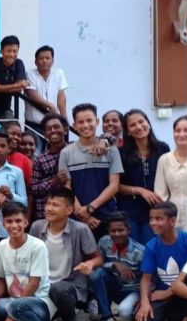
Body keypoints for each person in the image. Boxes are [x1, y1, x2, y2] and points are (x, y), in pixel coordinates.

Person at [30, 187, 102, 321]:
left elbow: (98, 258)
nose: (49, 208)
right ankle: (58, 316)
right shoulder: (37, 227)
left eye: (55, 205)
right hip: (42, 285)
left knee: (59, 289)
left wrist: (89, 264)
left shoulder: (81, 230)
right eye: (48, 204)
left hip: (70, 285)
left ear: (69, 210)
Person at [0, 202, 58, 321]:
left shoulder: (37, 246)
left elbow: (34, 283)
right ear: (3, 224)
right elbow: (1, 279)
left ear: (26, 222)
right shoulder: (1, 246)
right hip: (14, 302)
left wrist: (11, 315)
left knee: (16, 308)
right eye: (9, 221)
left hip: (39, 302)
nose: (14, 225)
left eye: (18, 221)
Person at [134, 202, 187, 321]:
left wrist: (170, 291)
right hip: (163, 294)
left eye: (158, 219)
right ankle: (170, 320)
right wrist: (145, 302)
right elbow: (146, 278)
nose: (153, 223)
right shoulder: (151, 245)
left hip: (186, 292)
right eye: (151, 219)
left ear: (172, 221)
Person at [58, 103, 123, 237]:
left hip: (107, 216)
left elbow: (114, 185)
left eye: (89, 120)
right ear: (74, 125)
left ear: (97, 122)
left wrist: (90, 208)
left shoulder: (111, 150)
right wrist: (83, 215)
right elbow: (67, 187)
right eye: (80, 122)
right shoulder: (66, 153)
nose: (85, 125)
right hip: (77, 219)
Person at [117, 109, 170, 244]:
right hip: (130, 211)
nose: (139, 127)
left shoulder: (162, 148)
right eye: (133, 125)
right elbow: (115, 185)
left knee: (152, 248)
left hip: (155, 210)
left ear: (148, 123)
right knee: (134, 252)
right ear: (127, 131)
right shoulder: (121, 153)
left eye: (141, 121)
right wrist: (140, 191)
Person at [88, 212, 145, 321]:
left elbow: (149, 278)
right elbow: (99, 263)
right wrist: (113, 265)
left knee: (125, 311)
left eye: (121, 230)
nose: (117, 234)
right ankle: (107, 318)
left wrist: (143, 298)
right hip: (114, 286)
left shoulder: (140, 251)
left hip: (132, 290)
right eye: (113, 231)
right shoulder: (104, 242)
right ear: (108, 231)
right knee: (96, 274)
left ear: (128, 230)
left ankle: (132, 314)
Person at [31, 114, 69, 220]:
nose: (53, 131)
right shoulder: (40, 160)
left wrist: (105, 141)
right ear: (45, 134)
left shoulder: (74, 151)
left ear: (65, 130)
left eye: (56, 127)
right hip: (46, 215)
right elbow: (34, 190)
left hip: (71, 212)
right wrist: (54, 181)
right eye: (48, 129)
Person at [0, 35, 28, 125]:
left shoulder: (19, 63)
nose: (12, 55)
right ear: (1, 51)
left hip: (5, 107)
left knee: (13, 129)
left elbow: (19, 89)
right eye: (8, 51)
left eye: (15, 51)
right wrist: (16, 85)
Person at [25, 45, 68, 125]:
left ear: (53, 61)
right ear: (35, 62)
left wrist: (64, 120)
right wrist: (50, 106)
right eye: (41, 58)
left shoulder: (59, 73)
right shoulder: (29, 74)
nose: (44, 61)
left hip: (53, 123)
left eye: (47, 58)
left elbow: (61, 98)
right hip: (34, 123)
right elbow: (32, 95)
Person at [0, 121, 33, 186]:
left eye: (19, 135)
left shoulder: (25, 160)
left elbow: (29, 186)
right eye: (12, 134)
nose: (16, 137)